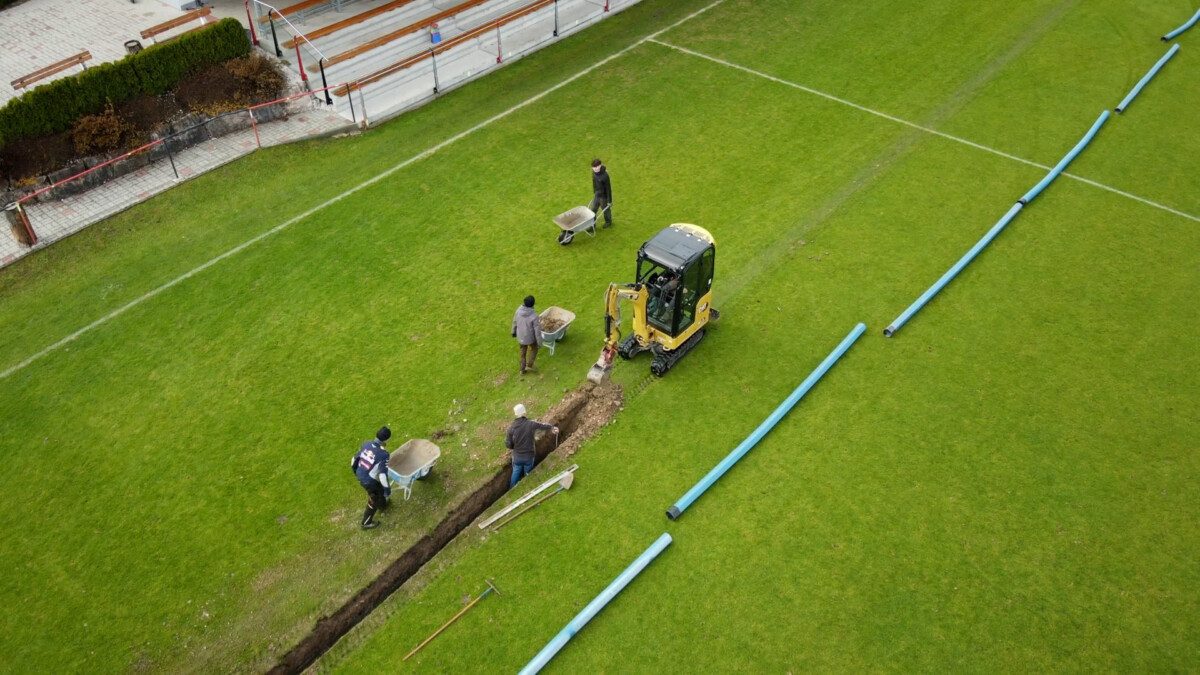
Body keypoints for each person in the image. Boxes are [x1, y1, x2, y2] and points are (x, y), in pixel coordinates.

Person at [504, 404, 558, 488]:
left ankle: (512, 487)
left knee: (515, 472)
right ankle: (527, 482)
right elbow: (542, 426)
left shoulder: (511, 428)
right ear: (524, 413)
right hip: (529, 457)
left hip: (517, 457)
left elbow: (509, 445)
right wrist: (552, 427)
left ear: (516, 415)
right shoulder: (530, 424)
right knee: (528, 472)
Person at [350, 426, 392, 530]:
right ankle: (366, 523)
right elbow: (382, 476)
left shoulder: (366, 444)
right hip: (368, 481)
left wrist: (357, 472)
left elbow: (354, 459)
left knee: (379, 490)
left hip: (361, 473)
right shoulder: (383, 455)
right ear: (386, 439)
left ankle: (382, 505)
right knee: (375, 497)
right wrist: (387, 490)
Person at [512, 295, 543, 374]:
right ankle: (529, 365)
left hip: (520, 337)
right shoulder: (534, 316)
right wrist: (540, 343)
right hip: (530, 339)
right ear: (533, 304)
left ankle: (522, 370)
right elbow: (537, 332)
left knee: (522, 352)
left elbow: (514, 322)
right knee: (534, 349)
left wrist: (513, 332)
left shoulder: (518, 311)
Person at [589, 158, 614, 228]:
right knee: (593, 210)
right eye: (594, 167)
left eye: (597, 166)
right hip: (597, 195)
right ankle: (592, 225)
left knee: (605, 209)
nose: (595, 168)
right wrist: (594, 191)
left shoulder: (605, 176)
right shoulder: (594, 173)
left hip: (604, 196)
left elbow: (608, 188)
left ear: (600, 165)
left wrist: (609, 201)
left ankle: (608, 221)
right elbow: (594, 182)